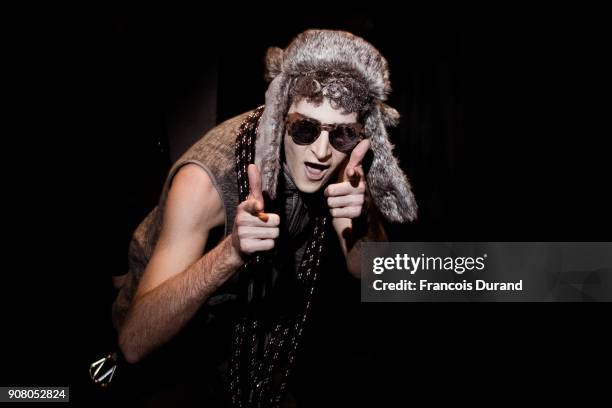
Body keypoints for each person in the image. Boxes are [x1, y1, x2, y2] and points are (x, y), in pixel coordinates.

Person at [112, 29, 417, 407]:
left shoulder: (342, 156)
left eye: (341, 134)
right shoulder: (205, 180)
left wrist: (364, 216)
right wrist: (232, 252)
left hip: (259, 342)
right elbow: (134, 341)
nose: (321, 152)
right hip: (178, 354)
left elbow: (370, 271)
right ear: (279, 114)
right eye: (304, 128)